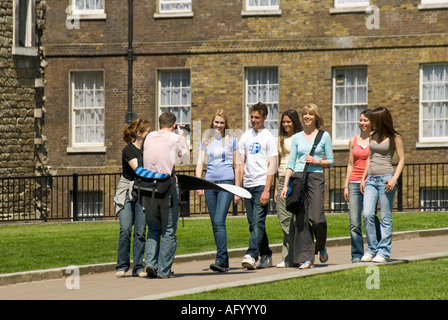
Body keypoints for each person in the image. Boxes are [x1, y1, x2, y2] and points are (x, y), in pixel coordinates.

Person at [281, 103, 334, 269]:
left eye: (310, 114)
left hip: (316, 177)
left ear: (316, 116)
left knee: (317, 219)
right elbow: (291, 162)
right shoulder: (297, 137)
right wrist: (285, 185)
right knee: (302, 221)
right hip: (298, 177)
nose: (307, 117)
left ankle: (321, 246)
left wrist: (317, 161)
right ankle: (307, 258)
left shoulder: (324, 136)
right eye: (305, 114)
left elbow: (331, 161)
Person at [142, 112, 189, 278]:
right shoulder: (175, 138)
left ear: (159, 124)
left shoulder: (149, 137)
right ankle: (164, 270)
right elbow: (185, 157)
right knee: (169, 230)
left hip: (147, 188)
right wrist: (182, 135)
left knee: (153, 228)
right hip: (166, 188)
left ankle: (150, 264)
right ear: (174, 125)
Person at [195, 110, 240, 272]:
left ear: (225, 124)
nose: (219, 125)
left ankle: (220, 259)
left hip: (226, 183)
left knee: (219, 221)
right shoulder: (206, 141)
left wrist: (237, 189)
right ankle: (224, 260)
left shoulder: (232, 140)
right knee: (215, 223)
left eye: (221, 122)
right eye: (216, 122)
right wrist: (199, 183)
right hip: (209, 184)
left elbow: (237, 165)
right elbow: (200, 163)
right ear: (212, 123)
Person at [360, 106, 405, 263]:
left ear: (382, 120)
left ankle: (383, 252)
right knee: (367, 214)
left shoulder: (395, 137)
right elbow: (370, 158)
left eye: (374, 119)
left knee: (385, 217)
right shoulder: (373, 135)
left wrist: (394, 179)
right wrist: (363, 178)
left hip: (386, 180)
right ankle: (372, 249)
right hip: (371, 180)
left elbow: (401, 160)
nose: (371, 122)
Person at [236, 102, 278, 270]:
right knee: (253, 224)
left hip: (261, 184)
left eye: (257, 117)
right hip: (247, 185)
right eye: (252, 117)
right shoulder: (245, 136)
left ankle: (252, 254)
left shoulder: (269, 137)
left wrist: (267, 190)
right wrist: (237, 188)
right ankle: (266, 254)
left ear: (265, 118)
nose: (253, 120)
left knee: (258, 221)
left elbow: (272, 166)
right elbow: (240, 164)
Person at [114, 118, 150, 278]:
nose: (150, 133)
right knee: (126, 228)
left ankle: (138, 267)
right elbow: (139, 170)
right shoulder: (128, 151)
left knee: (141, 231)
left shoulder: (148, 149)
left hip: (143, 189)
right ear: (139, 133)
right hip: (127, 188)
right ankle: (122, 266)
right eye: (147, 131)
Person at [343, 109, 376, 263]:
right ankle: (357, 254)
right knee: (354, 222)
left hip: (370, 182)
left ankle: (374, 248)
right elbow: (350, 164)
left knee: (369, 216)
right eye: (361, 120)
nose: (362, 123)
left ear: (372, 123)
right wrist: (346, 186)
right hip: (354, 182)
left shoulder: (375, 139)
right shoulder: (353, 140)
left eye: (365, 120)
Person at [274, 109, 303, 268]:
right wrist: (275, 189)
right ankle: (290, 256)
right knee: (283, 217)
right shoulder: (280, 139)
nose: (285, 124)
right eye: (283, 122)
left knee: (292, 219)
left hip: (294, 179)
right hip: (281, 179)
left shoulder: (299, 138)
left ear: (294, 122)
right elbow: (278, 163)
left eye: (288, 121)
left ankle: (293, 256)